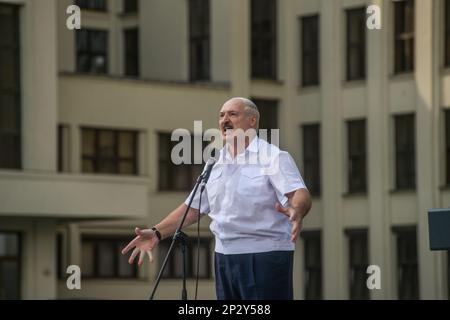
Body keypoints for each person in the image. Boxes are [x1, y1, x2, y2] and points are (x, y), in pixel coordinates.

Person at [122, 97, 312, 300]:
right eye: (221, 115)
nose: (224, 120)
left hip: (265, 254)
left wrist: (297, 210)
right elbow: (192, 209)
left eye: (232, 114)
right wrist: (156, 233)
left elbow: (299, 193)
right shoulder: (215, 162)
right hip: (224, 256)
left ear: (252, 121)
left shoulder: (274, 157)